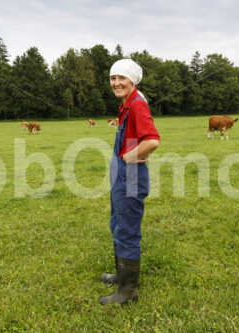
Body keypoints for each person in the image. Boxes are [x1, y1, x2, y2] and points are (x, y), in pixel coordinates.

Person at [99, 59, 160, 305]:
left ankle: (127, 291)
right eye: (113, 78)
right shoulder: (126, 104)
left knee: (127, 230)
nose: (116, 83)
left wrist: (128, 157)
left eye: (122, 78)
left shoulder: (136, 105)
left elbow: (152, 141)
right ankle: (122, 275)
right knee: (118, 223)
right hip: (123, 173)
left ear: (132, 80)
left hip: (131, 174)